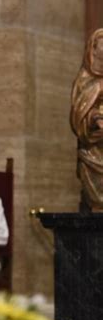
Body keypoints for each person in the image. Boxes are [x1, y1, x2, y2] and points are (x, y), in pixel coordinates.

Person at [70, 28, 103, 211]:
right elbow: (78, 114)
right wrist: (95, 118)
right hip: (93, 149)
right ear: (94, 47)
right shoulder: (83, 80)